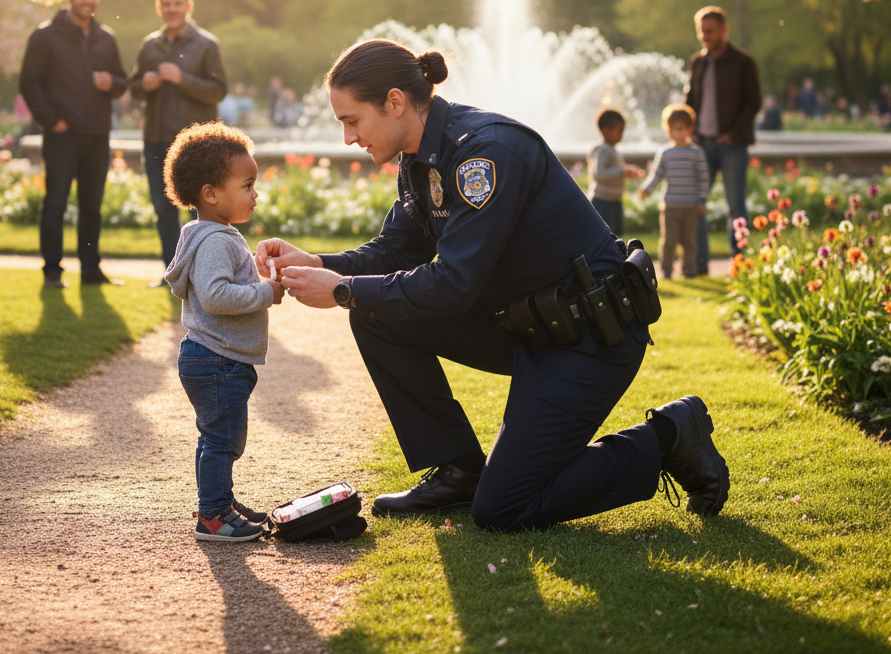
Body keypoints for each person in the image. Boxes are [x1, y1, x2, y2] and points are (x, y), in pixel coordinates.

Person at [255, 39, 729, 532]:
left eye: (352, 120)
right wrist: (318, 263)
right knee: (375, 312)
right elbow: (395, 252)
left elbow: (454, 283)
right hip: (526, 324)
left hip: (588, 337)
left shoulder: (484, 153)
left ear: (395, 102)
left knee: (504, 508)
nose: (350, 137)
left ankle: (671, 437)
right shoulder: (420, 156)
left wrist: (341, 289)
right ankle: (458, 471)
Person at [162, 122, 285, 541]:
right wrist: (266, 292)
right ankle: (213, 516)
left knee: (215, 437)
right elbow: (215, 295)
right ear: (211, 193)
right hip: (218, 360)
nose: (256, 194)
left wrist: (257, 275)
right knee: (223, 440)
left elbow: (224, 282)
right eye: (247, 185)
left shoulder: (209, 235)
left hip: (213, 358)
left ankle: (219, 501)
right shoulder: (215, 240)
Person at [19, 0, 127, 288]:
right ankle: (52, 271)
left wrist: (112, 83)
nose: (88, 0)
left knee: (92, 207)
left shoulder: (106, 37)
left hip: (97, 135)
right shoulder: (45, 36)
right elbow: (29, 83)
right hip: (61, 136)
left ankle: (91, 271)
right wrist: (53, 121)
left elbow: (122, 82)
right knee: (55, 203)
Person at [130, 0, 228, 278]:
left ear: (189, 6)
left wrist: (180, 78)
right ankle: (173, 277)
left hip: (193, 146)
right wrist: (143, 85)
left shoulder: (207, 44)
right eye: (167, 4)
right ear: (160, 7)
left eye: (178, 4)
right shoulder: (149, 45)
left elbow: (218, 91)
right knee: (163, 212)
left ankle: (204, 275)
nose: (172, 10)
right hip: (156, 139)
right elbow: (134, 90)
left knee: (198, 212)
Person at [685, 6, 762, 272]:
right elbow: (690, 99)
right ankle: (699, 263)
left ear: (724, 30)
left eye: (710, 31)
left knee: (735, 205)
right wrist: (689, 128)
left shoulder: (743, 62)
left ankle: (739, 262)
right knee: (697, 204)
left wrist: (733, 135)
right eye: (701, 31)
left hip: (732, 145)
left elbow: (753, 103)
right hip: (701, 143)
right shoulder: (698, 61)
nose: (705, 36)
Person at [640, 105, 710, 279]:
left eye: (681, 129)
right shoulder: (665, 153)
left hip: (691, 206)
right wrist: (647, 188)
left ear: (689, 129)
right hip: (670, 206)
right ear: (667, 130)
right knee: (669, 241)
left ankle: (689, 271)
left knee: (689, 242)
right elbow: (657, 175)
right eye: (673, 129)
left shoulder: (696, 153)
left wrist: (702, 201)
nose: (677, 133)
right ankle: (666, 271)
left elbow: (703, 179)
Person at [587, 107, 644, 236]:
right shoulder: (603, 150)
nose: (621, 135)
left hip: (614, 201)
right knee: (605, 236)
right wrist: (621, 171)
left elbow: (614, 171)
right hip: (603, 201)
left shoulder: (611, 149)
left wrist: (626, 172)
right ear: (606, 130)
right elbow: (599, 173)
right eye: (619, 131)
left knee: (615, 236)